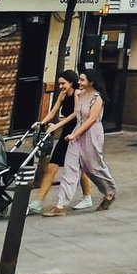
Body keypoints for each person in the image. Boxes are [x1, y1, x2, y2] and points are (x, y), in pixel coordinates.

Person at [44, 72, 115, 215]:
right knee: (70, 168)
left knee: (93, 168)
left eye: (82, 80)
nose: (80, 82)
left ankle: (110, 192)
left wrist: (74, 134)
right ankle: (61, 205)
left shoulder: (97, 98)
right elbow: (76, 114)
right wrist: (58, 125)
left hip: (91, 134)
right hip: (77, 134)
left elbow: (91, 120)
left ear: (91, 82)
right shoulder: (80, 94)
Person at [31, 72, 93, 212]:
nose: (61, 86)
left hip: (77, 135)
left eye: (63, 83)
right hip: (66, 135)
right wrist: (43, 122)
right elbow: (53, 111)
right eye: (59, 83)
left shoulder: (78, 94)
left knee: (80, 170)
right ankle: (38, 202)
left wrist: (56, 126)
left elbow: (76, 114)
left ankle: (87, 197)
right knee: (52, 167)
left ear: (71, 83)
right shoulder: (63, 95)